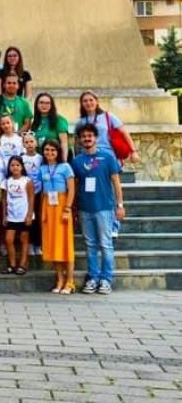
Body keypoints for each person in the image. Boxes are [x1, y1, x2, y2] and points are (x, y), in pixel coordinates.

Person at [71, 124, 125, 296]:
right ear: (80, 140)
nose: (87, 139)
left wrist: (120, 205)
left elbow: (116, 182)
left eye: (90, 136)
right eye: (83, 136)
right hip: (85, 209)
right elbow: (76, 186)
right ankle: (93, 278)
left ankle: (106, 279)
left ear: (95, 138)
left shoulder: (108, 157)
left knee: (106, 244)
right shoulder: (77, 161)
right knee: (90, 245)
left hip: (104, 208)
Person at [39, 139, 76, 294]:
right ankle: (59, 279)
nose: (49, 153)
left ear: (58, 152)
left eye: (53, 150)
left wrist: (67, 209)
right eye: (47, 150)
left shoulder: (65, 167)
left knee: (66, 245)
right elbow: (42, 191)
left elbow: (72, 190)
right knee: (53, 244)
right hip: (48, 205)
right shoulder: (42, 168)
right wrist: (42, 212)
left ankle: (70, 281)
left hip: (62, 205)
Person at [75, 91, 136, 158]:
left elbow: (124, 133)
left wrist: (133, 151)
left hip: (107, 154)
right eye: (85, 101)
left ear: (97, 101)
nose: (88, 103)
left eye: (91, 100)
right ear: (82, 104)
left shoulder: (108, 116)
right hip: (87, 155)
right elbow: (78, 143)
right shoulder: (80, 122)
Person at [1, 156, 34, 275]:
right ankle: (12, 264)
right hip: (11, 215)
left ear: (22, 167)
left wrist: (29, 214)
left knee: (24, 239)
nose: (15, 167)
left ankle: (23, 264)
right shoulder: (6, 182)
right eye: (12, 165)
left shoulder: (27, 181)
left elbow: (31, 198)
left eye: (17, 165)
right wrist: (4, 215)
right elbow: (4, 199)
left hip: (24, 214)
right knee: (8, 239)